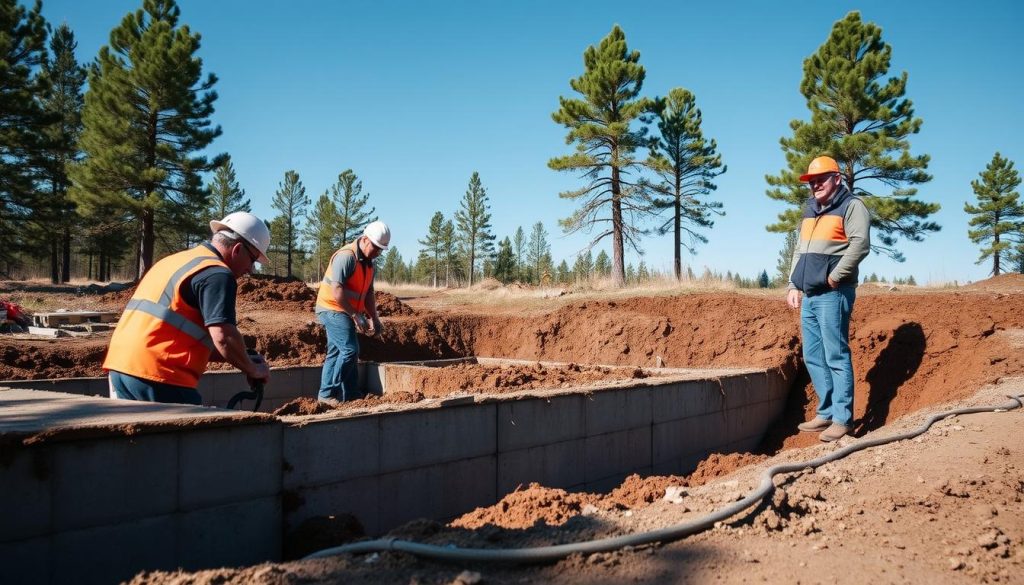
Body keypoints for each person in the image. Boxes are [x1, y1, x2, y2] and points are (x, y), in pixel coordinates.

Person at [103, 212, 272, 405]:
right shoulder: (217, 274)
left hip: (121, 367)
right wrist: (252, 369)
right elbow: (223, 337)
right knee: (189, 434)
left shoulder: (174, 261)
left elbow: (178, 335)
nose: (251, 270)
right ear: (237, 249)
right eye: (253, 260)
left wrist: (243, 359)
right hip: (159, 375)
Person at [786, 156, 871, 442]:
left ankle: (843, 419)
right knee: (812, 354)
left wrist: (834, 277)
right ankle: (826, 412)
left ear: (837, 178)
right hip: (809, 293)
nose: (815, 185)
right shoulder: (810, 210)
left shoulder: (852, 206)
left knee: (835, 354)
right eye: (811, 181)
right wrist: (793, 284)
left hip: (834, 292)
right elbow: (800, 250)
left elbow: (860, 245)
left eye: (821, 178)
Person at [315, 221, 390, 403]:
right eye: (376, 247)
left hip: (344, 310)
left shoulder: (370, 264)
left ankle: (347, 395)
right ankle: (331, 392)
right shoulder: (346, 257)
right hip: (331, 307)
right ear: (365, 239)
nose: (377, 253)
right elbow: (337, 290)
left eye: (381, 250)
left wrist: (375, 318)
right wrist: (355, 315)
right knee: (350, 349)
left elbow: (368, 294)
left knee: (337, 352)